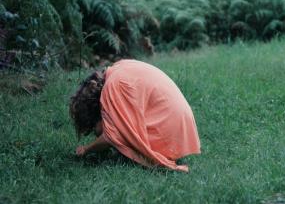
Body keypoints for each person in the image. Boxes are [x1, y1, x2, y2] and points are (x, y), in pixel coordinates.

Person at [69, 59, 201, 172]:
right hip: (182, 123)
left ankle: (163, 150)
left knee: (121, 136)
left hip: (171, 130)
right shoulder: (119, 67)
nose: (94, 133)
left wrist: (86, 149)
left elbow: (112, 135)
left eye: (92, 128)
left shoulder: (113, 86)